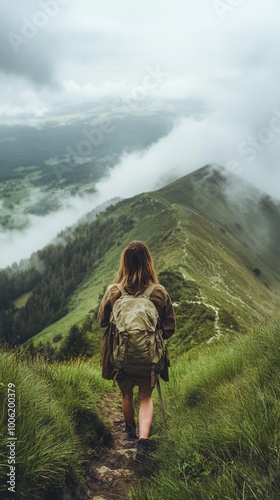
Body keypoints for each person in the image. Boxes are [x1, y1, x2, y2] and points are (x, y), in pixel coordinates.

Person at [98, 240, 175, 462]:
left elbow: (102, 321)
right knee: (145, 396)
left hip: (121, 357)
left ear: (124, 263)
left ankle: (130, 430)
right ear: (148, 262)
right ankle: (143, 441)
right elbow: (170, 328)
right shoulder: (158, 292)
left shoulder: (114, 291)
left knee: (125, 395)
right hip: (149, 358)